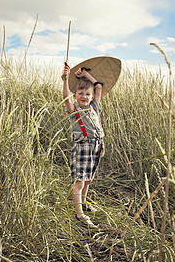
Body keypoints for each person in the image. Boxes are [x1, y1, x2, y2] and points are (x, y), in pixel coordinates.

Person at [62, 64, 105, 228]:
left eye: (87, 94)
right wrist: (66, 79)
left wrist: (86, 74)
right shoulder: (75, 110)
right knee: (79, 182)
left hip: (97, 146)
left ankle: (84, 203)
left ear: (92, 96)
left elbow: (98, 86)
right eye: (80, 94)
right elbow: (66, 97)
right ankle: (79, 215)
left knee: (88, 180)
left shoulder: (94, 107)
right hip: (83, 147)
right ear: (76, 95)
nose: (84, 96)